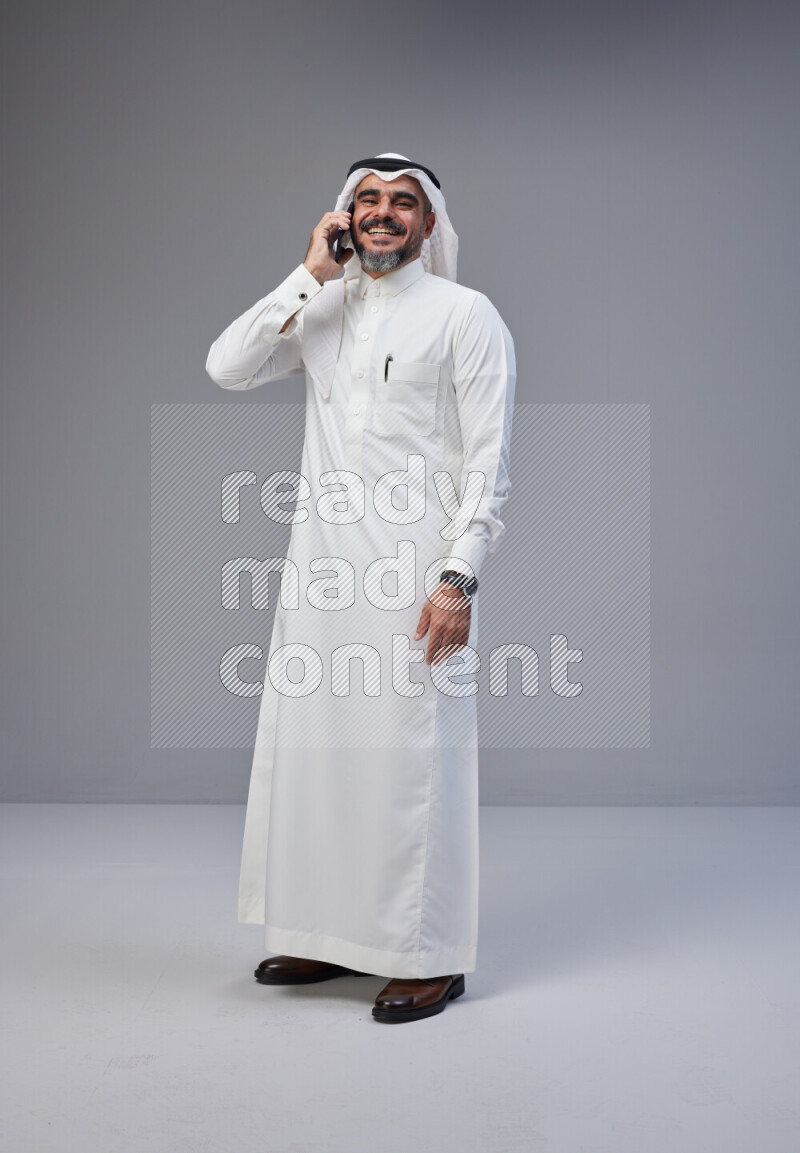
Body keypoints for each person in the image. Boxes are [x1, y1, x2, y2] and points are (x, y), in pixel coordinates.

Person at [206, 152, 515, 1024]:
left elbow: (488, 459)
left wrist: (459, 579)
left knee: (413, 762)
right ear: (345, 216)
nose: (383, 215)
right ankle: (326, 932)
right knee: (318, 755)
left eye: (402, 203)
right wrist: (309, 270)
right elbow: (226, 367)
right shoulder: (325, 306)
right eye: (367, 202)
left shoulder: (465, 315)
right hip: (321, 572)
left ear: (428, 223)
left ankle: (430, 953)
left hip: (415, 572)